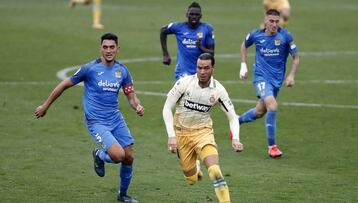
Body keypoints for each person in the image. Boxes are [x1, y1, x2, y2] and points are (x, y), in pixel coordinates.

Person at [35, 33, 144, 203]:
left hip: (115, 119)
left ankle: (122, 195)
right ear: (100, 48)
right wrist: (45, 106)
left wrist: (137, 105)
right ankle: (99, 155)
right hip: (97, 121)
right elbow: (64, 84)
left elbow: (131, 96)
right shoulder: (90, 69)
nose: (108, 50)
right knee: (118, 156)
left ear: (118, 49)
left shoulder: (122, 71)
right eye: (105, 47)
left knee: (129, 157)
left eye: (112, 47)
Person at [163, 53, 243, 203]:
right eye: (199, 68)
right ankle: (196, 168)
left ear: (213, 68)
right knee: (191, 179)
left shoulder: (219, 90)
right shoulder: (184, 83)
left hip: (203, 133)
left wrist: (236, 139)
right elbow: (166, 108)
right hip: (181, 134)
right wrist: (171, 135)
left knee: (214, 171)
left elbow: (232, 117)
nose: (202, 72)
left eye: (206, 68)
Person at [237, 9, 300, 158]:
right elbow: (244, 45)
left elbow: (296, 58)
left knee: (259, 112)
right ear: (265, 21)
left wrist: (291, 75)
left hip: (276, 81)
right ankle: (272, 147)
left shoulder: (285, 35)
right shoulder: (255, 35)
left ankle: (236, 121)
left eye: (277, 22)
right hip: (261, 78)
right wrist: (243, 65)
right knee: (272, 105)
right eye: (271, 21)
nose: (274, 24)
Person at [160, 1, 215, 81]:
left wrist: (201, 47)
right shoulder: (179, 27)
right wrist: (165, 54)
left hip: (201, 73)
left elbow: (211, 53)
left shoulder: (207, 29)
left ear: (200, 16)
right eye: (191, 14)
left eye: (196, 15)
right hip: (182, 73)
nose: (194, 17)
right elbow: (163, 30)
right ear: (187, 15)